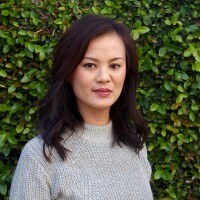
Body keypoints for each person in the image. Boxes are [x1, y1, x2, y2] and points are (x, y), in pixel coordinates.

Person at [10, 14, 153, 199]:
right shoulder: (40, 156)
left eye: (115, 65)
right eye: (90, 65)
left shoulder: (136, 149)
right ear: (69, 71)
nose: (104, 77)